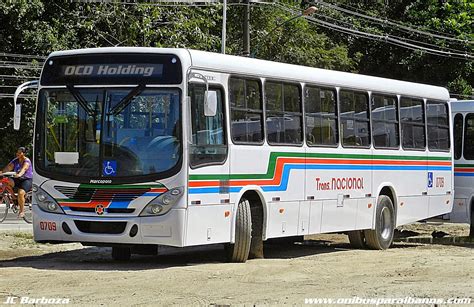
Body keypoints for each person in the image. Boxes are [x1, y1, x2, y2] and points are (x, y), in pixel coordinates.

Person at [0, 147, 33, 218]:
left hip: (26, 180)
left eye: (20, 152)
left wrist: (19, 174)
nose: (17, 154)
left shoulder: (27, 161)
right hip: (17, 178)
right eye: (17, 152)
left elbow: (24, 169)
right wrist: (2, 172)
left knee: (21, 193)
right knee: (6, 181)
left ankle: (22, 211)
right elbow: (8, 167)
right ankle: (14, 197)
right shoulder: (15, 161)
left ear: (23, 154)